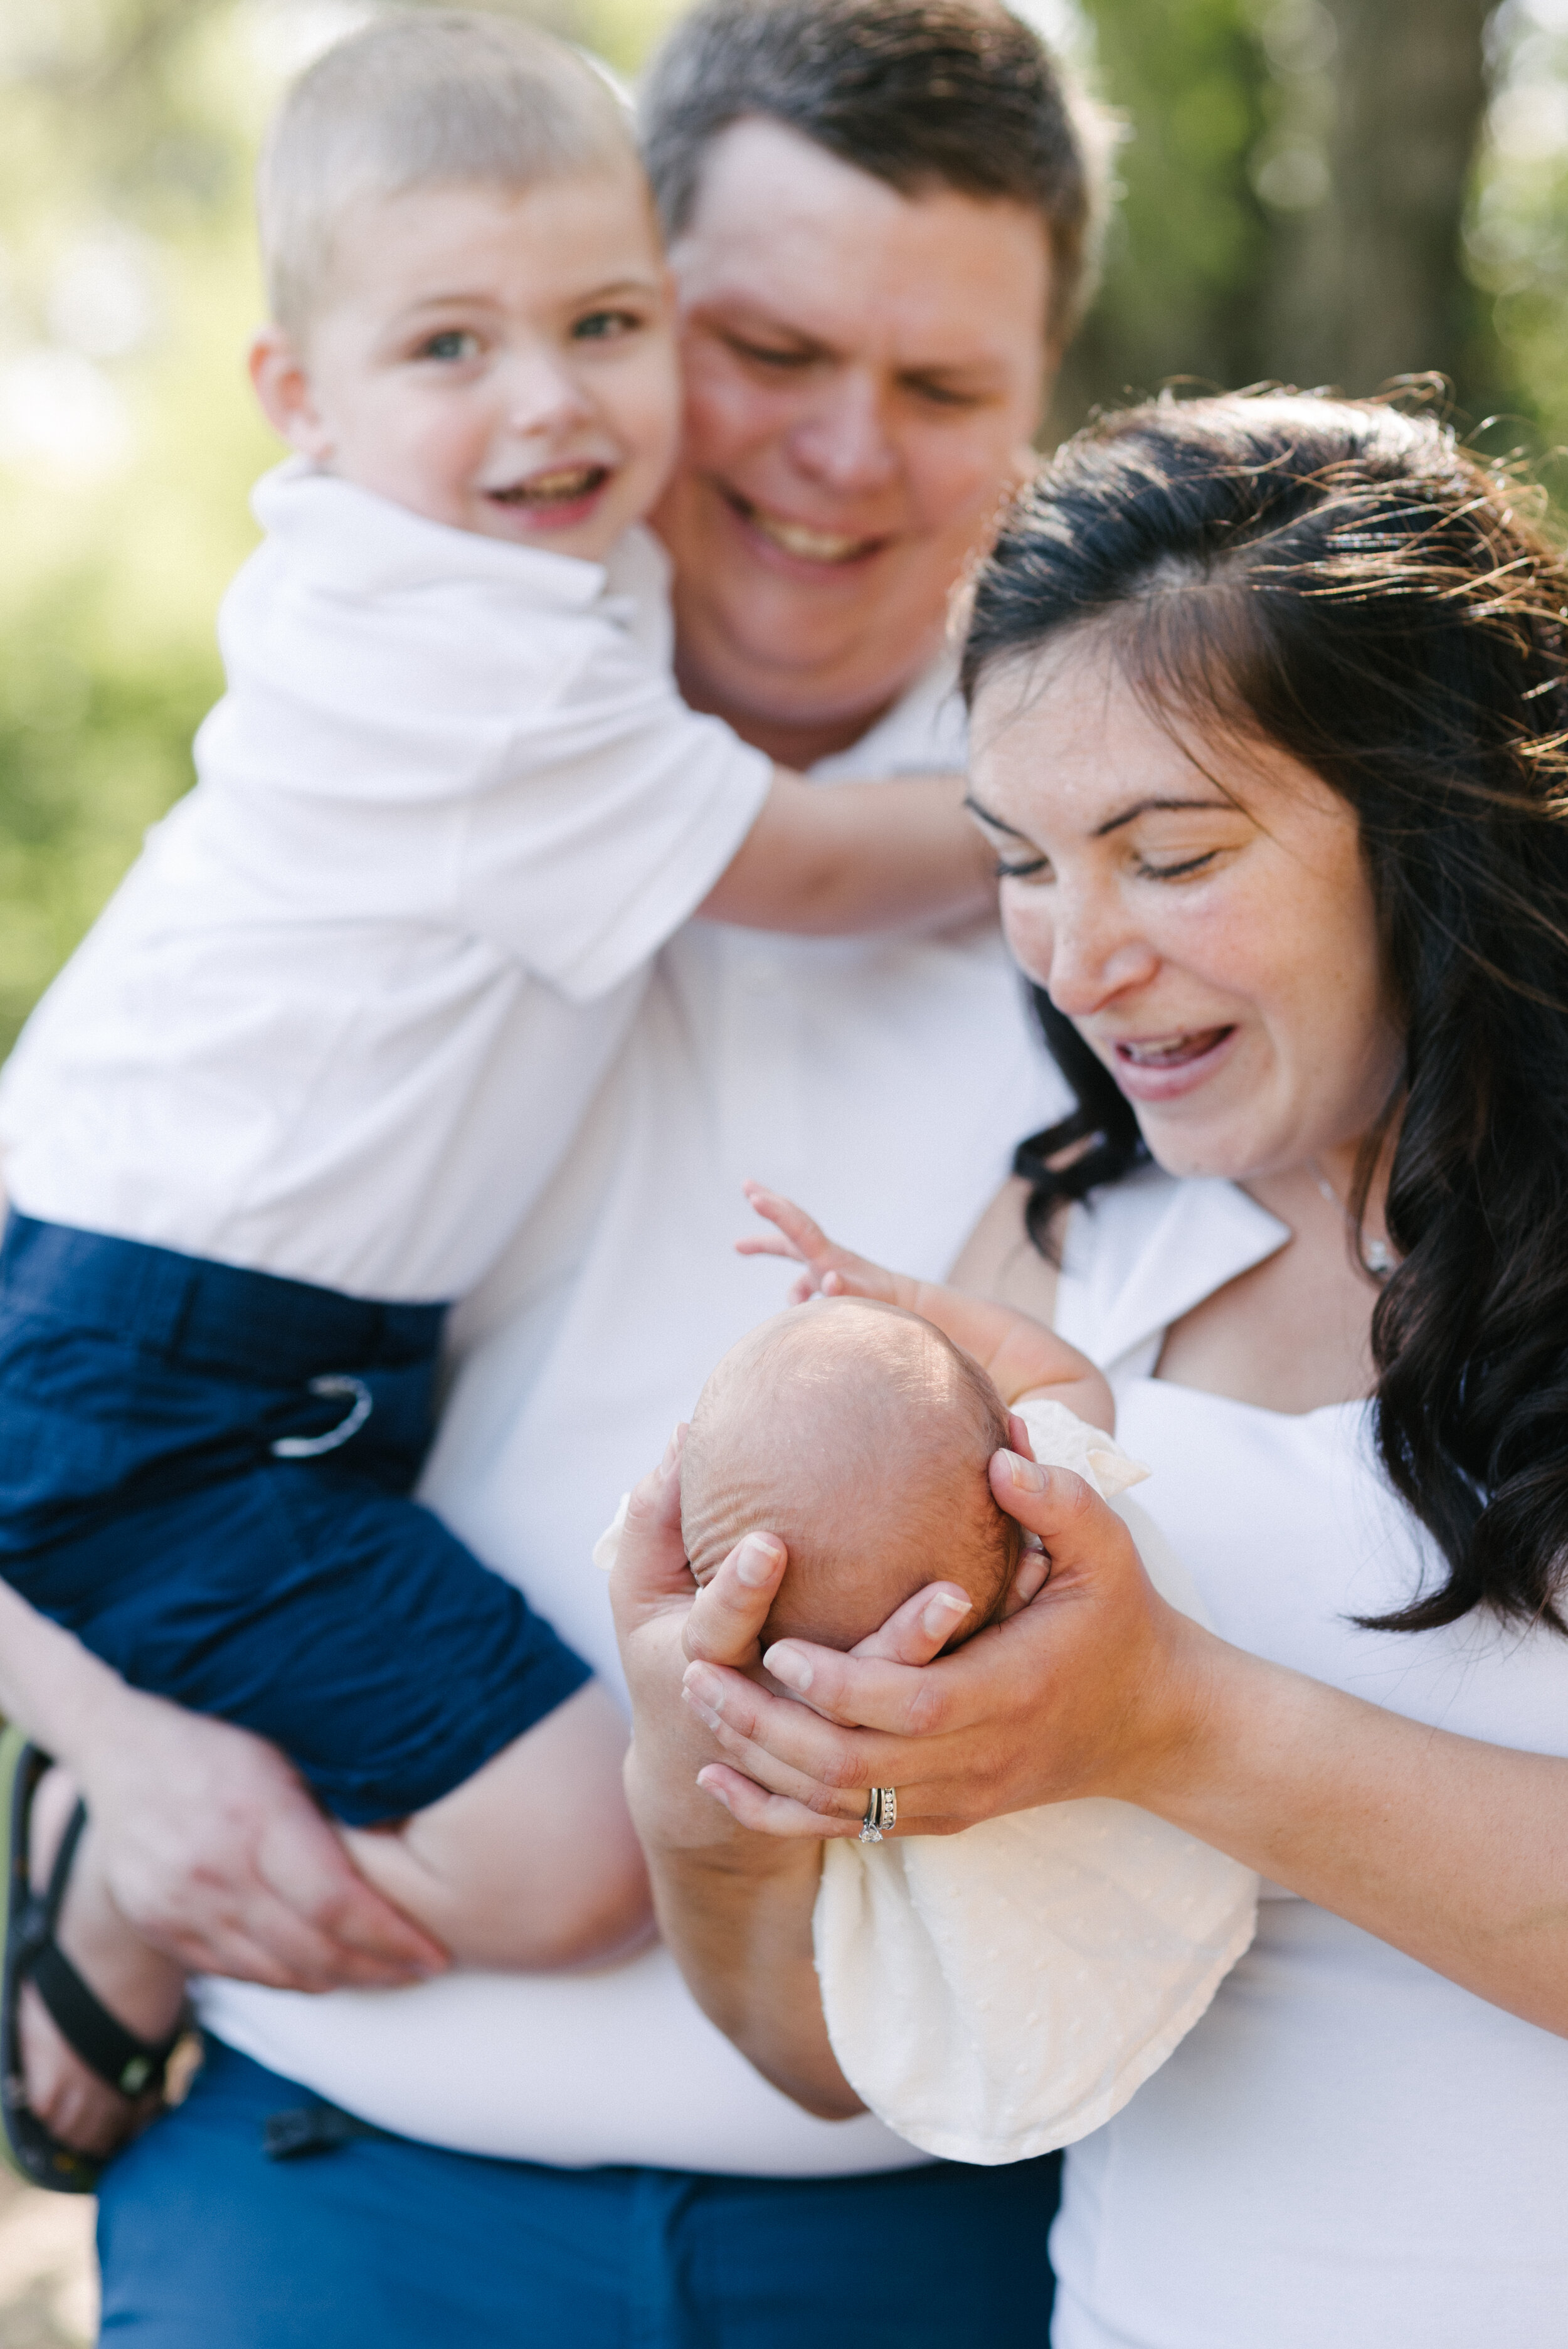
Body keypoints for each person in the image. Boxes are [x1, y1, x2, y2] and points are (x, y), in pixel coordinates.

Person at [0, 3, 1106, 2341]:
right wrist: (110, 1809)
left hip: (939, 2222)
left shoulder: (1147, 903)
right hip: (328, 2188)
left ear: (1046, 413)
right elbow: (62, 1357)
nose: (833, 453)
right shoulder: (369, 768)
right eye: (762, 345)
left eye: (936, 388)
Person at [614, 391, 1568, 2348]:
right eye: (1021, 860)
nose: (1073, 955)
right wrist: (717, 1780)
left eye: (1166, 851)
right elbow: (838, 2043)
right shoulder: (1075, 1243)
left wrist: (1177, 1724)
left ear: (1431, 814)